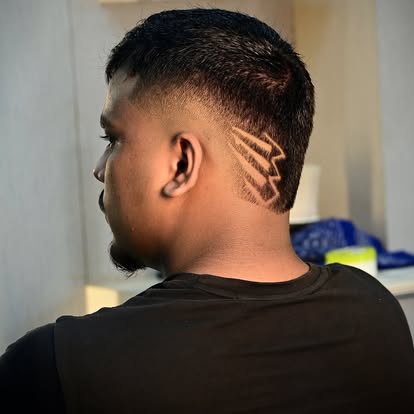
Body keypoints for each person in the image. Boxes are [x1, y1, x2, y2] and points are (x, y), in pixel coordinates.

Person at [1, 8, 413, 414]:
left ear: (181, 164)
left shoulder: (56, 371)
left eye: (112, 138)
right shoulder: (377, 315)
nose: (99, 169)